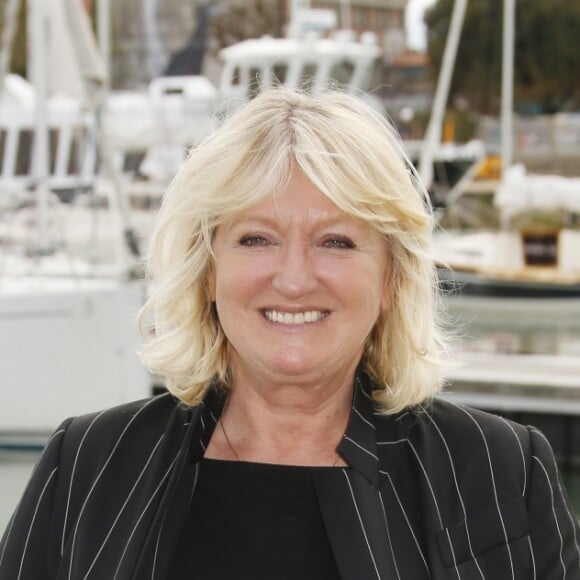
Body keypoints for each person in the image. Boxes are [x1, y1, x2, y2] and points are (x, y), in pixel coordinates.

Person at [1, 87, 579, 580]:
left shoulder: (498, 470)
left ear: (390, 280)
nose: (295, 279)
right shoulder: (87, 465)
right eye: (256, 238)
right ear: (208, 272)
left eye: (336, 241)